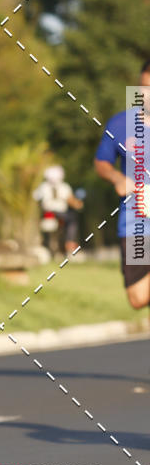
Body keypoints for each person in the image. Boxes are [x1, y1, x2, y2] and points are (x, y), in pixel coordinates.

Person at [94, 60, 150, 310]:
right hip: (136, 222)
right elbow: (101, 162)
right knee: (138, 299)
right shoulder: (120, 123)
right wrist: (117, 178)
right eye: (143, 88)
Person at [33, 164, 84, 257]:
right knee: (72, 219)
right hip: (59, 214)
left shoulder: (43, 186)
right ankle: (69, 242)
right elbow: (71, 201)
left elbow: (35, 197)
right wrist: (78, 204)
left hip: (47, 213)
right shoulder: (64, 186)